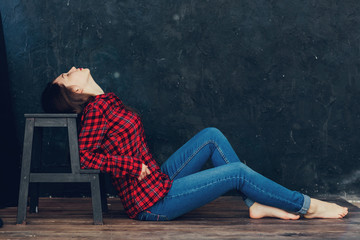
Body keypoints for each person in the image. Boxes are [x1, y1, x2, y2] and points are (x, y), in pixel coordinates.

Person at [41, 66, 348, 221]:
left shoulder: (106, 102)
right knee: (237, 171)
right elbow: (85, 159)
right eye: (67, 75)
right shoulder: (95, 111)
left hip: (157, 183)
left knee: (212, 136)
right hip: (150, 203)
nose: (72, 69)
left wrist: (139, 167)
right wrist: (132, 165)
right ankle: (307, 206)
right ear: (75, 89)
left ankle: (254, 205)